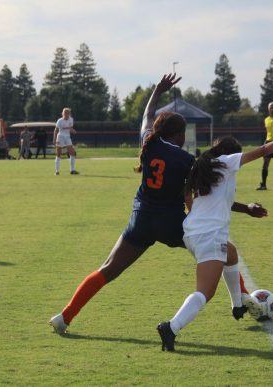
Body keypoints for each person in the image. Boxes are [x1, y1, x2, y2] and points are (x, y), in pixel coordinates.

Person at [49, 74, 257, 335]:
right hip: (172, 223)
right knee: (222, 250)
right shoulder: (186, 160)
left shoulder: (148, 142)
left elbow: (147, 116)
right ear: (179, 134)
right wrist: (246, 208)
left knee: (107, 270)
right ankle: (244, 299)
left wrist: (158, 90)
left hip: (142, 220)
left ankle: (65, 316)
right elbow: (210, 196)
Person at [156, 125, 273, 352]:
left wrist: (246, 209)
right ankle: (171, 327)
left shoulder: (202, 167)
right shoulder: (227, 161)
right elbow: (263, 150)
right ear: (230, 152)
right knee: (205, 292)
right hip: (209, 236)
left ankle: (237, 304)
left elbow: (192, 196)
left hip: (193, 232)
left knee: (230, 255)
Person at [54, 108, 78, 175]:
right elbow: (56, 130)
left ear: (69, 114)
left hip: (67, 137)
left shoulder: (71, 119)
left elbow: (70, 128)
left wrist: (73, 131)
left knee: (72, 153)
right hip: (60, 137)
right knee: (58, 154)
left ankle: (72, 170)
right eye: (65, 113)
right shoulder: (60, 121)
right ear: (62, 113)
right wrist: (54, 139)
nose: (66, 114)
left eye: (68, 113)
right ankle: (57, 171)